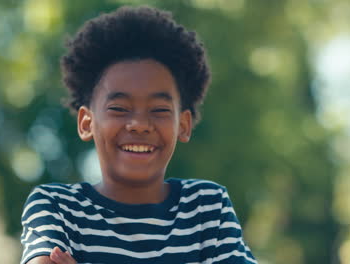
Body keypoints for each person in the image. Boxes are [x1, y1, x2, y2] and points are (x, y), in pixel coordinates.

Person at [20, 5, 257, 264]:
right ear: (87, 123)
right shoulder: (56, 207)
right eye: (119, 108)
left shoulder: (207, 208)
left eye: (159, 110)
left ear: (184, 124)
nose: (140, 124)